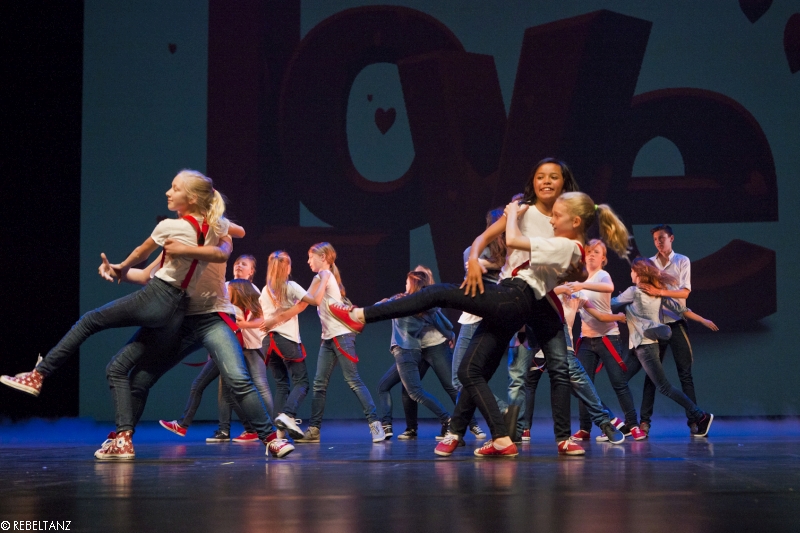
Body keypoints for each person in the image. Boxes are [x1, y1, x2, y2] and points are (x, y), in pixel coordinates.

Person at [327, 189, 631, 458]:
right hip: (511, 304)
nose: (551, 219)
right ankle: (497, 437)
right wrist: (484, 249)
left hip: (514, 299)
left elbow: (517, 244)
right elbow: (503, 246)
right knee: (469, 372)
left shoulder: (565, 245)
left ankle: (360, 315)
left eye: (557, 216)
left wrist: (513, 216)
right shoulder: (550, 241)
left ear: (575, 221)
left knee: (437, 294)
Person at [1, 170, 236, 397]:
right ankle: (122, 427)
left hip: (157, 295)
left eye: (175, 189)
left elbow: (141, 252)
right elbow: (237, 232)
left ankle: (39, 374)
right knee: (119, 369)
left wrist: (122, 266)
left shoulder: (170, 227)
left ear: (192, 198)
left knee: (89, 321)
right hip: (177, 309)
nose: (168, 192)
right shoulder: (214, 229)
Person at [583, 257, 717, 438]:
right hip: (638, 347)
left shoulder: (633, 291)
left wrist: (586, 297)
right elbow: (682, 310)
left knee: (664, 387)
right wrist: (703, 320)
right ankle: (629, 424)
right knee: (620, 382)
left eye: (632, 271)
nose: (630, 273)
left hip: (645, 348)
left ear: (638, 273)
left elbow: (610, 304)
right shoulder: (656, 293)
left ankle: (701, 416)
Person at [157, 255, 266, 443]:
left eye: (244, 264)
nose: (238, 266)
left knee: (201, 385)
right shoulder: (231, 295)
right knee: (230, 393)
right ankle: (249, 429)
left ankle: (183, 424)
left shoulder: (236, 297)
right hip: (226, 347)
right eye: (237, 263)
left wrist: (239, 325)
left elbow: (250, 319)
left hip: (230, 348)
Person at [294, 242, 385, 443]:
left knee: (353, 380)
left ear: (323, 258)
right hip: (328, 337)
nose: (308, 261)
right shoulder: (321, 276)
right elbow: (305, 301)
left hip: (342, 335)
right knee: (319, 384)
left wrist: (290, 299)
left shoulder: (324, 275)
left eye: (311, 257)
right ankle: (314, 430)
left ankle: (375, 424)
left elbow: (312, 300)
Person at [567, 239, 640, 441]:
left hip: (608, 337)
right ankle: (585, 428)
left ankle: (633, 425)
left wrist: (581, 285)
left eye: (596, 252)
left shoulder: (602, 275)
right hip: (586, 339)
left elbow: (608, 288)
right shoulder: (578, 279)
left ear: (603, 258)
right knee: (583, 384)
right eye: (589, 251)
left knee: (619, 383)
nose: (591, 254)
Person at [638, 225, 707, 436]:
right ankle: (644, 422)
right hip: (655, 325)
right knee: (652, 375)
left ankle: (695, 421)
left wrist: (659, 291)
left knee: (685, 374)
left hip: (676, 322)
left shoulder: (682, 261)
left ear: (671, 238)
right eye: (655, 239)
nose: (658, 242)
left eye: (661, 238)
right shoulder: (649, 263)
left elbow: (684, 292)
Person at [257, 250, 329, 440]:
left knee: (282, 385)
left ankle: (279, 434)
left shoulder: (265, 289)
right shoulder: (290, 286)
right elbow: (315, 300)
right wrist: (323, 280)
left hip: (267, 341)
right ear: (287, 267)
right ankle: (287, 415)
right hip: (286, 339)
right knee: (302, 382)